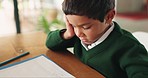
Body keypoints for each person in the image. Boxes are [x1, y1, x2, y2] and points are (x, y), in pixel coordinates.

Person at [46, 0, 148, 78]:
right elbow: (50, 43)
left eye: (86, 27)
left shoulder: (129, 47)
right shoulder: (78, 35)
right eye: (73, 25)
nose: (78, 33)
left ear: (109, 16)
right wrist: (67, 33)